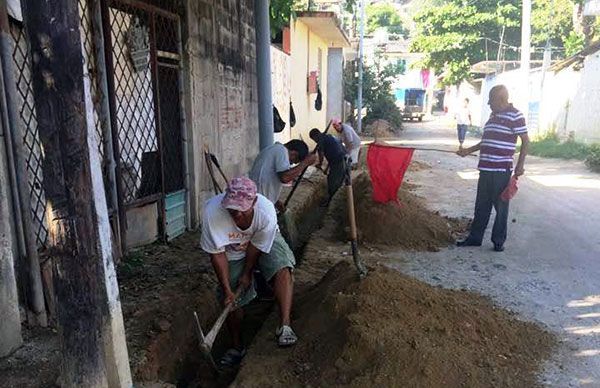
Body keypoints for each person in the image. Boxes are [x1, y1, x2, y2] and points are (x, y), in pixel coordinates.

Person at [200, 177, 298, 367]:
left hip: (261, 241)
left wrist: (248, 272)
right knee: (230, 300)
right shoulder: (212, 212)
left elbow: (256, 247)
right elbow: (217, 255)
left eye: (241, 209)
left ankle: (284, 326)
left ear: (254, 202)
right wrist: (228, 289)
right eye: (231, 209)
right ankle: (237, 346)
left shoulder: (266, 212)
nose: (235, 214)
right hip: (232, 250)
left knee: (282, 265)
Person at [456, 85, 529, 252]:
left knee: (501, 207)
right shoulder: (493, 116)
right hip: (486, 169)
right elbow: (486, 142)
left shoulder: (516, 115)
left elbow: (525, 140)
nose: (488, 103)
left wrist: (520, 165)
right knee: (481, 206)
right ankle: (475, 238)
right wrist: (468, 151)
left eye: (491, 100)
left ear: (501, 100)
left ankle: (498, 241)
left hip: (501, 171)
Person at [249, 139, 317, 212]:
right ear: (294, 154)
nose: (290, 164)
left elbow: (266, 177)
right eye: (292, 161)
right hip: (261, 204)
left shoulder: (274, 149)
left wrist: (275, 200)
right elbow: (285, 178)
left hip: (260, 200)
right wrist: (305, 163)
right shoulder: (282, 151)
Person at [309, 128, 347, 206]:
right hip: (343, 159)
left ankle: (331, 203)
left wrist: (320, 164)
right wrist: (326, 169)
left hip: (338, 161)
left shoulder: (321, 140)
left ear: (316, 136)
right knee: (336, 180)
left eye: (314, 140)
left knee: (332, 182)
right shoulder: (329, 136)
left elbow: (321, 154)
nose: (315, 141)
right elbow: (331, 154)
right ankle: (333, 200)